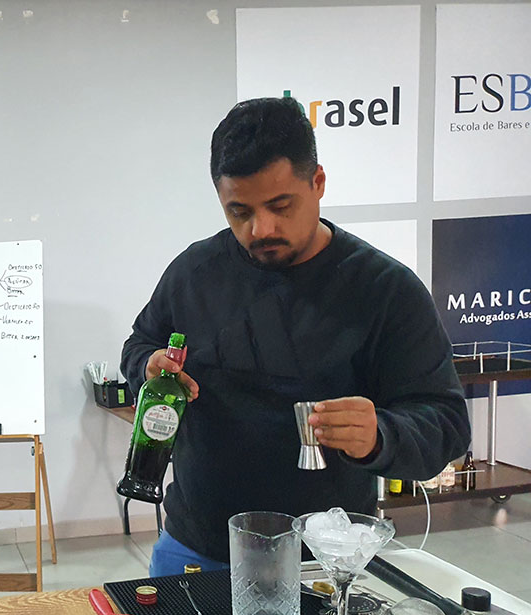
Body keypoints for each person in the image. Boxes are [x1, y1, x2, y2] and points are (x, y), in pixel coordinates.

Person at [121, 97, 471, 577]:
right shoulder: (193, 274)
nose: (260, 228)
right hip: (195, 548)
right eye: (239, 211)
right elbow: (139, 345)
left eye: (280, 206)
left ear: (318, 183)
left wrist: (380, 436)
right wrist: (149, 365)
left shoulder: (385, 290)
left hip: (324, 564)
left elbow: (447, 425)